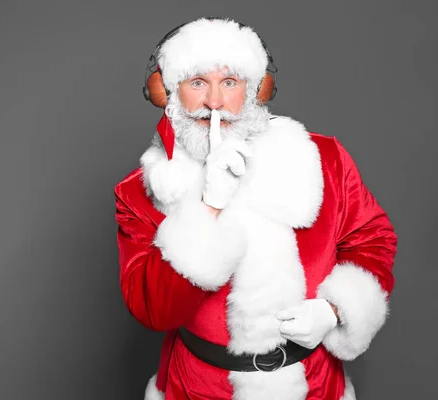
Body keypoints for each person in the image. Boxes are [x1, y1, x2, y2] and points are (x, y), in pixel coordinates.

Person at [114, 17, 396, 400]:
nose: (215, 103)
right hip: (200, 388)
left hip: (316, 386)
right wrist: (209, 205)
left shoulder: (323, 159)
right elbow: (153, 309)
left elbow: (373, 240)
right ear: (167, 92)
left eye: (229, 83)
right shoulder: (140, 192)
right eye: (197, 83)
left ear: (255, 90)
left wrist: (333, 310)